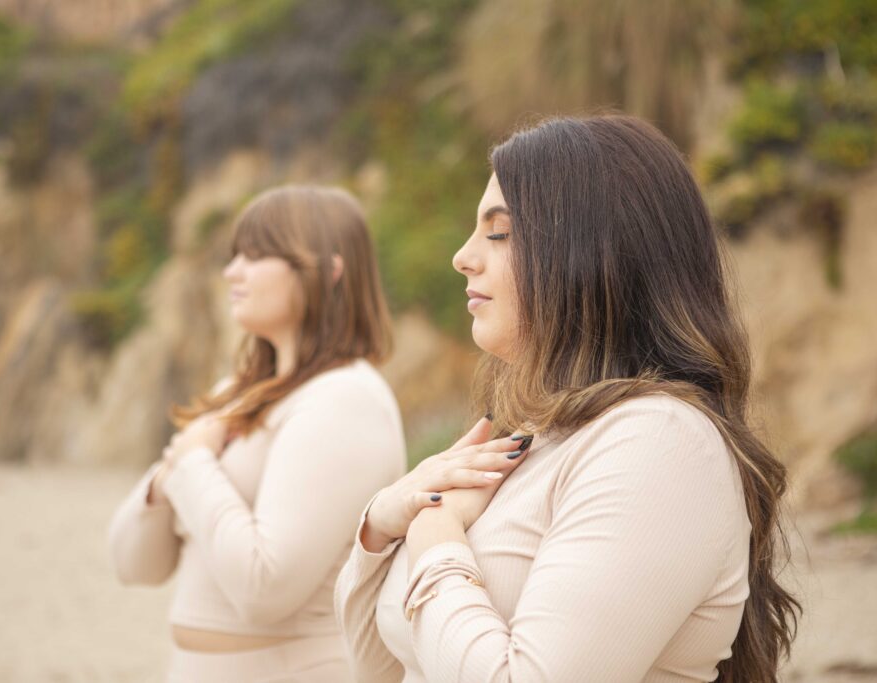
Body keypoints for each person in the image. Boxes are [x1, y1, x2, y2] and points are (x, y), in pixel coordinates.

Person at [334, 115, 800, 683]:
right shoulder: (531, 439)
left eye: (498, 233)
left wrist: (435, 540)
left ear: (591, 253)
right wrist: (381, 526)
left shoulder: (661, 443)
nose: (463, 255)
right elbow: (379, 667)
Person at [108, 185, 407, 682]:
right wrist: (167, 482)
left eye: (256, 254)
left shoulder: (345, 400)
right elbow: (132, 564)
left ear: (329, 271)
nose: (232, 272)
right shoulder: (240, 393)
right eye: (234, 256)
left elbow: (264, 589)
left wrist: (193, 465)